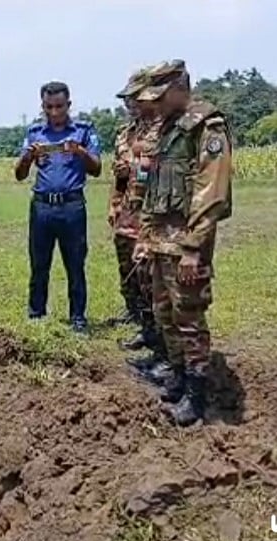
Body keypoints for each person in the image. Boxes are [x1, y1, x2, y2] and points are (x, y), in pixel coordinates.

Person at [134, 59, 233, 426]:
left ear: (180, 87)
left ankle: (197, 393)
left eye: (160, 96)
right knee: (165, 313)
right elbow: (153, 190)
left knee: (189, 318)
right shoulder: (168, 128)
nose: (153, 104)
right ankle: (178, 375)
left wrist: (193, 249)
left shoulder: (207, 126)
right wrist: (145, 235)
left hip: (187, 244)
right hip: (162, 241)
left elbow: (211, 194)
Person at [14, 81, 102, 333]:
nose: (54, 112)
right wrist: (28, 157)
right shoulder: (34, 132)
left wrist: (80, 152)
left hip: (72, 207)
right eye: (49, 107)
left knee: (75, 264)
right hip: (42, 207)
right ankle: (36, 315)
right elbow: (20, 175)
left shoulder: (84, 130)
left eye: (59, 106)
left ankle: (77, 318)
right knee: (39, 265)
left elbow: (96, 169)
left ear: (68, 105)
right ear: (42, 106)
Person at [110, 70, 169, 381]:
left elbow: (155, 170)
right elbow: (120, 176)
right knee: (133, 275)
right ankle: (145, 329)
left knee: (151, 280)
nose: (130, 104)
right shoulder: (124, 133)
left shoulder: (162, 130)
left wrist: (132, 166)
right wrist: (114, 202)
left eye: (134, 98)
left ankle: (162, 347)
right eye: (126, 99)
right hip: (129, 213)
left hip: (152, 215)